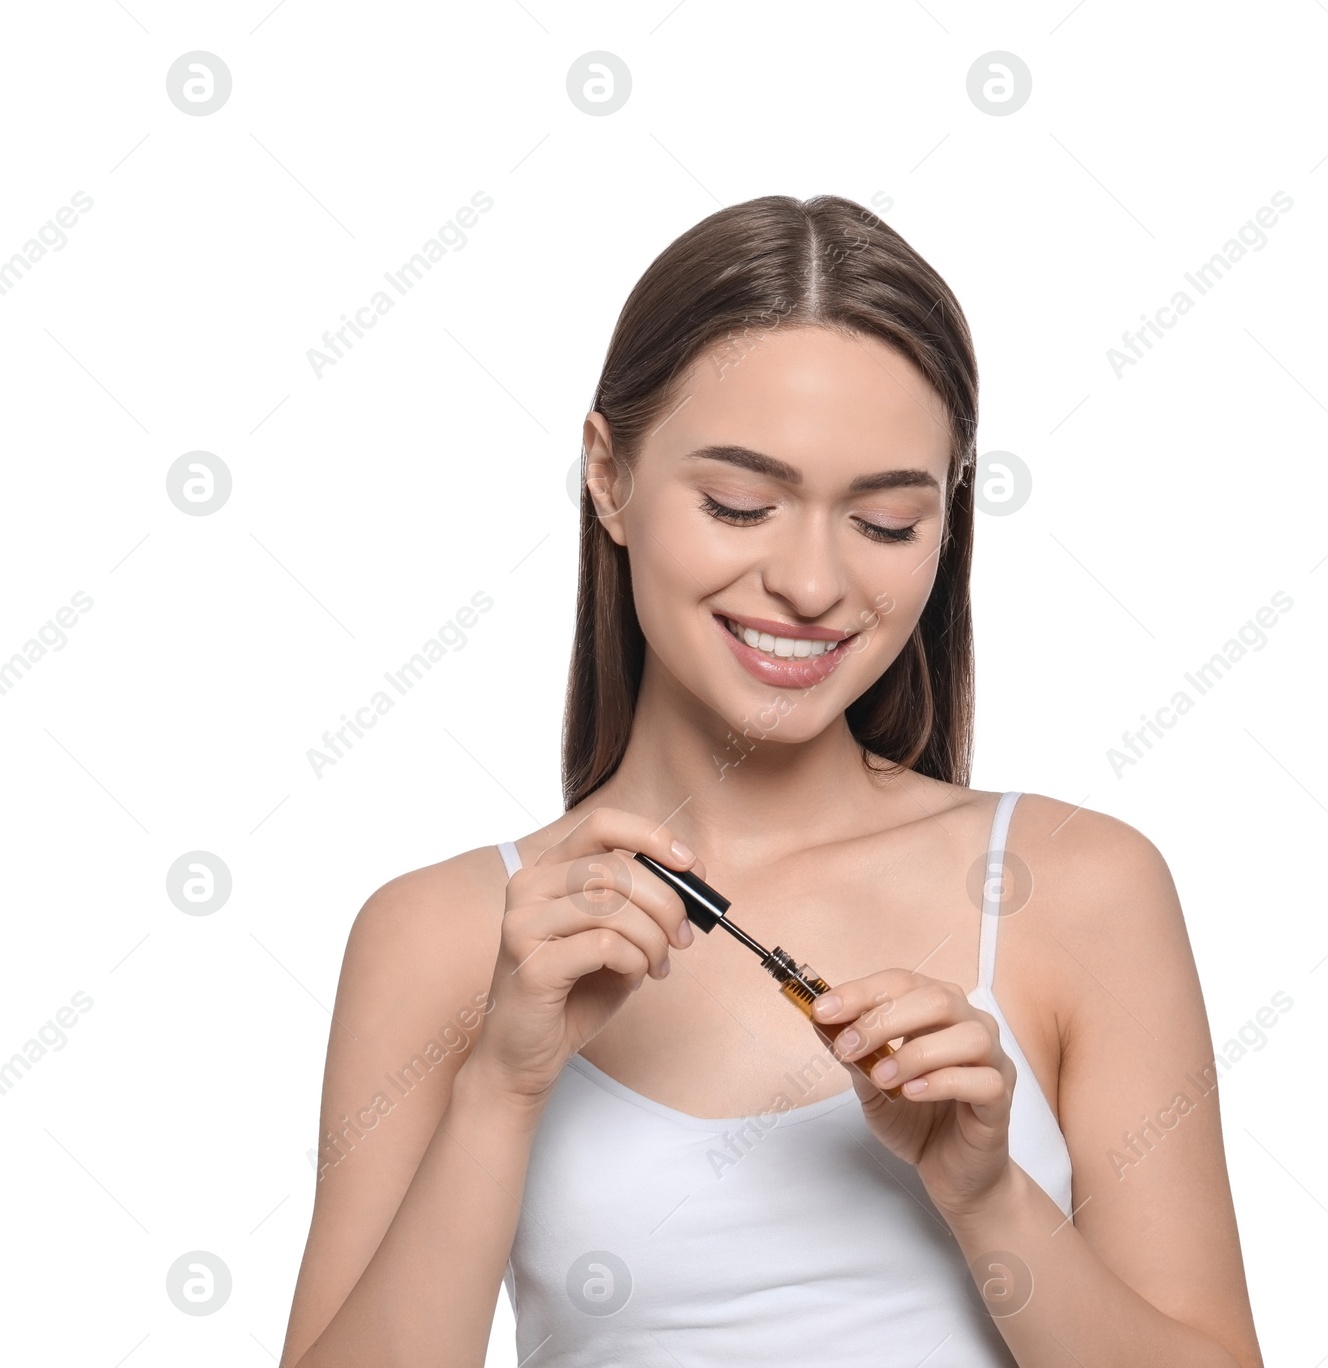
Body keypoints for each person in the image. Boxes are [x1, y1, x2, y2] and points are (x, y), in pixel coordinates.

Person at [279, 194, 1264, 1368]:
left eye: (887, 522)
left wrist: (986, 1198)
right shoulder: (440, 935)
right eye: (741, 504)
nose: (809, 581)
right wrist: (502, 1083)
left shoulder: (1078, 886)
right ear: (608, 477)